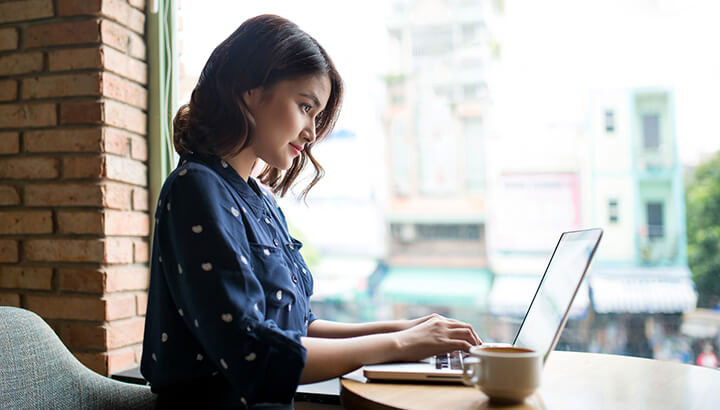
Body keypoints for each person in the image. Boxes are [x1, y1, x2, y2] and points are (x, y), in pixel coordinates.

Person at [141, 14, 481, 409]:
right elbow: (254, 353)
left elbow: (297, 328)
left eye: (317, 116)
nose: (312, 132)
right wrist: (399, 343)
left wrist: (406, 328)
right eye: (305, 107)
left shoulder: (260, 199)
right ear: (249, 89)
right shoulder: (195, 188)